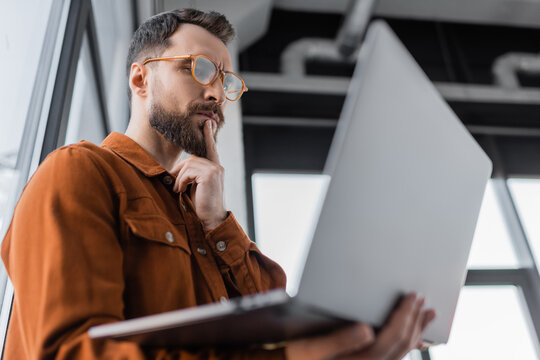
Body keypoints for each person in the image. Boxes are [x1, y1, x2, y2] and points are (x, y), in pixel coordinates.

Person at [1, 8, 435, 359]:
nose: (215, 94)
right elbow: (69, 353)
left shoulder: (204, 211)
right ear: (140, 79)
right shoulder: (79, 171)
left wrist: (218, 222)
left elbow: (274, 318)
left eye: (225, 81)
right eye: (200, 69)